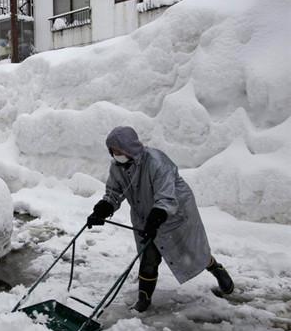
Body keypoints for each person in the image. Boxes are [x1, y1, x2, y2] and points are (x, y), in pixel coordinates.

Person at [87, 126, 234, 312]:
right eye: (113, 152)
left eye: (119, 151)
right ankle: (143, 300)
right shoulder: (117, 167)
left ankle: (216, 269)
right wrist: (102, 209)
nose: (116, 155)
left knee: (192, 251)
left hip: (174, 213)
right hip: (144, 214)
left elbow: (166, 197)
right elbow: (114, 192)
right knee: (149, 256)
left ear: (129, 148)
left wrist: (156, 218)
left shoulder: (156, 162)